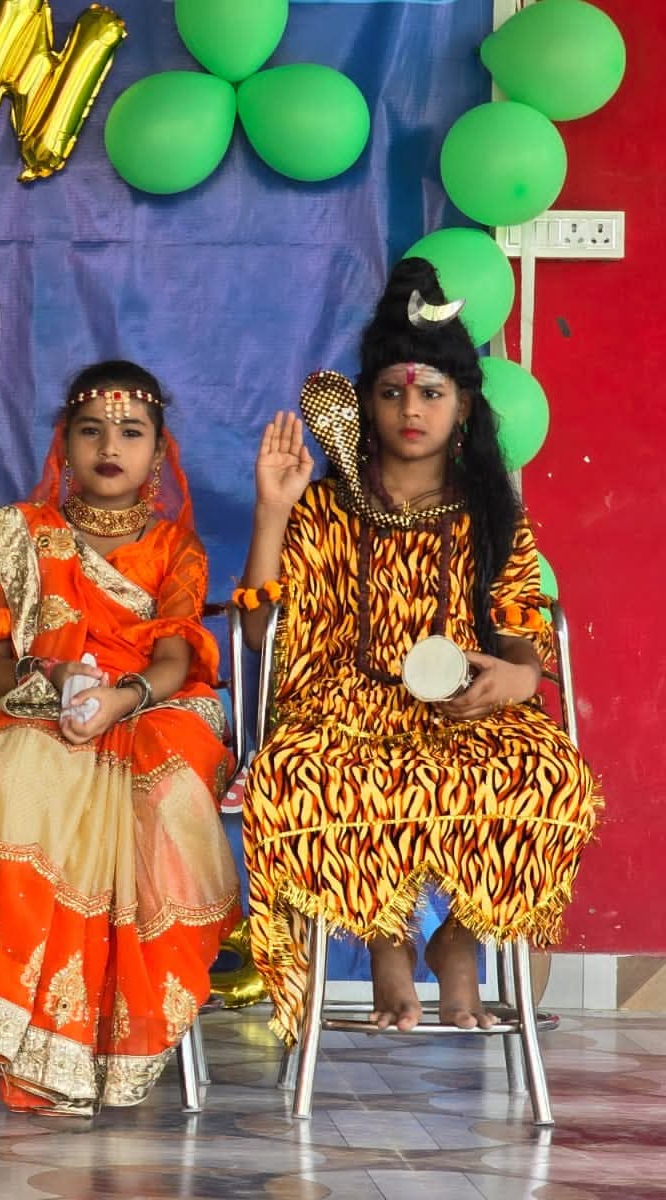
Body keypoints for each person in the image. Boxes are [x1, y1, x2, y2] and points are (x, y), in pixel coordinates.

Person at [238, 258, 601, 1043]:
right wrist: (272, 512)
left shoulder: (490, 511)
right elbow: (263, 635)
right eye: (392, 392)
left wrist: (516, 677)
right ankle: (387, 942)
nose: (411, 408)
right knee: (301, 775)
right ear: (366, 404)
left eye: (431, 392)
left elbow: (522, 629)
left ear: (462, 404)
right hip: (341, 709)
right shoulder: (326, 506)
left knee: (553, 779)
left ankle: (458, 942)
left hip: (467, 709)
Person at [0, 360, 239, 1117]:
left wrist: (120, 698)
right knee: (16, 767)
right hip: (38, 705)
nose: (109, 447)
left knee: (168, 787)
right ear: (65, 444)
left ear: (159, 452)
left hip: (153, 708)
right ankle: (24, 1038)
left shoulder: (176, 548)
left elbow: (176, 659)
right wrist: (48, 678)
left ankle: (105, 1045)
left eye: (131, 432)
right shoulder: (23, 539)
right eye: (92, 430)